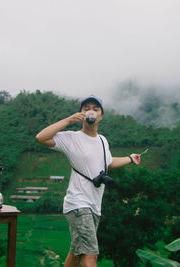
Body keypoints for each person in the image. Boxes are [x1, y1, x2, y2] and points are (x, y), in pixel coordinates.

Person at [36, 95, 141, 267]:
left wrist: (129, 158)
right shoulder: (71, 138)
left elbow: (108, 163)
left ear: (101, 116)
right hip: (78, 203)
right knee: (90, 255)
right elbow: (41, 137)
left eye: (95, 108)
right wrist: (69, 120)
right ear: (81, 114)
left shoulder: (102, 140)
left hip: (94, 205)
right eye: (86, 108)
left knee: (76, 252)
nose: (90, 111)